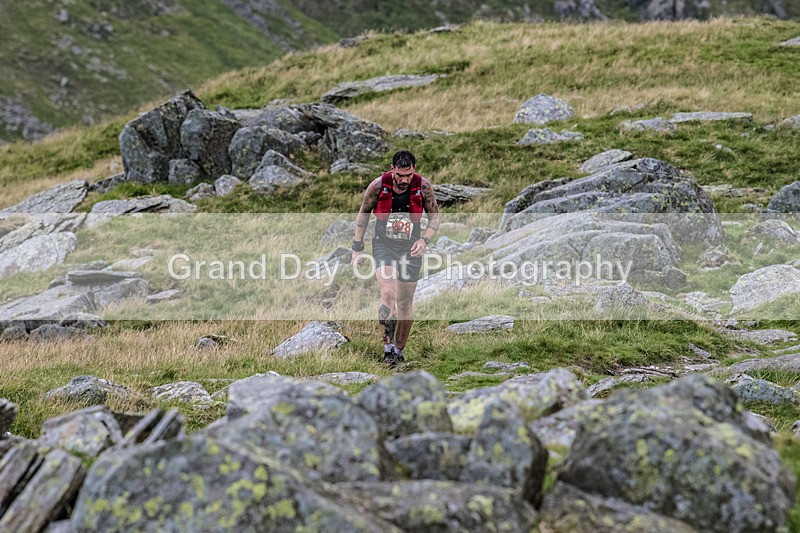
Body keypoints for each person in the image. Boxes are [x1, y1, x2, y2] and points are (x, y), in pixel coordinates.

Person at [351, 150, 440, 367]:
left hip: (411, 249)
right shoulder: (378, 185)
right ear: (392, 169)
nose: (403, 180)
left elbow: (435, 216)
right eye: (399, 174)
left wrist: (424, 241)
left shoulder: (423, 187)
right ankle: (388, 350)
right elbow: (363, 214)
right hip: (384, 246)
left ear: (414, 170)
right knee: (389, 292)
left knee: (405, 302)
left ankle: (399, 352)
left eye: (408, 175)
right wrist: (357, 248)